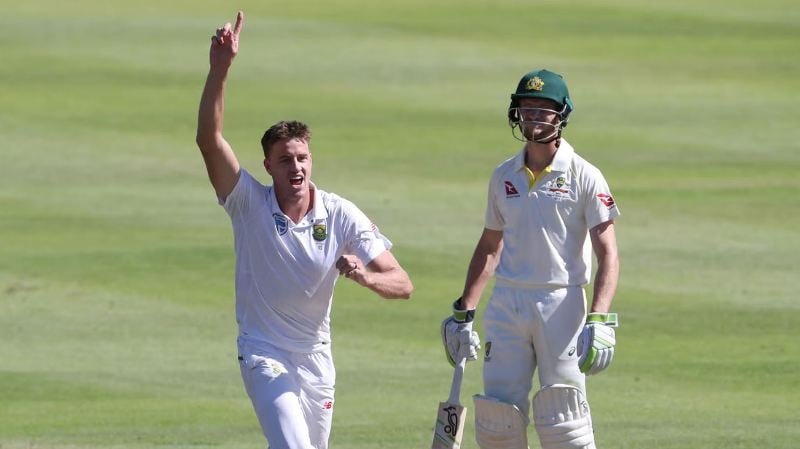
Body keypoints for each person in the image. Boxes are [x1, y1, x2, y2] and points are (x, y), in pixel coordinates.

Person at [195, 11, 414, 449]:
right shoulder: (248, 203)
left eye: (301, 158)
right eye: (284, 160)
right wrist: (220, 69)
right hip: (264, 351)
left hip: (316, 358)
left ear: (311, 160)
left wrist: (364, 277)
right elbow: (209, 139)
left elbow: (402, 283)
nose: (295, 167)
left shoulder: (339, 213)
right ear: (267, 166)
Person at [440, 69, 620, 449]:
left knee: (564, 419)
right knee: (498, 418)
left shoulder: (585, 175)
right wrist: (464, 311)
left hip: (562, 303)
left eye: (543, 108)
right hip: (507, 302)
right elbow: (490, 247)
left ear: (561, 114)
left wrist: (600, 317)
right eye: (527, 107)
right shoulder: (503, 175)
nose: (533, 116)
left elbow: (608, 253)